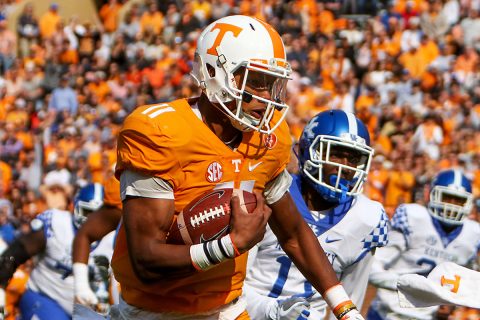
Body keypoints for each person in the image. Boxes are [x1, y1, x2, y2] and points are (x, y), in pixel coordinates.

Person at [111, 15, 364, 320]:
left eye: (272, 84)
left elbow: (294, 233)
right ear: (214, 72)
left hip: (229, 308)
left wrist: (344, 308)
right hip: (153, 311)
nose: (267, 97)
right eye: (256, 81)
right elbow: (146, 260)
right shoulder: (160, 133)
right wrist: (232, 244)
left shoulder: (267, 139)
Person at [243, 110, 389, 319]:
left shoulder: (367, 218)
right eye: (336, 153)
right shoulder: (270, 192)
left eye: (354, 158)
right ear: (307, 150)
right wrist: (270, 310)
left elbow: (350, 303)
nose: (345, 167)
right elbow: (232, 284)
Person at [368, 169, 480, 320]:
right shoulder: (413, 216)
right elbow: (372, 268)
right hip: (388, 313)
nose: (452, 205)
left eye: (458, 200)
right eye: (448, 198)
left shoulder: (472, 234)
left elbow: (462, 284)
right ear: (432, 194)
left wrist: (448, 303)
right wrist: (413, 286)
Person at [0, 183, 114, 319]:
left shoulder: (112, 239)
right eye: (87, 213)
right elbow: (16, 252)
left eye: (96, 216)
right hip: (44, 297)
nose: (91, 222)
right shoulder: (57, 223)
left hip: (85, 312)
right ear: (74, 207)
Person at [72, 174, 122, 308]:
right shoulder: (60, 224)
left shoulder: (110, 238)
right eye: (87, 212)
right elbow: (85, 234)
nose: (89, 218)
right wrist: (81, 285)